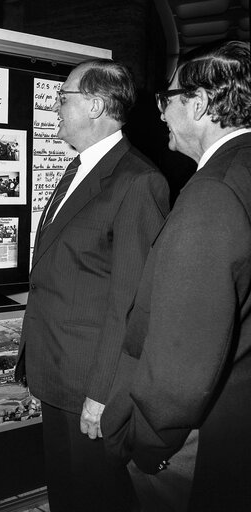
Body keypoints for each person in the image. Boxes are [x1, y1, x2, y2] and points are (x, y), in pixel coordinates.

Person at [102, 40, 251, 512]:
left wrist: (149, 443)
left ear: (201, 104)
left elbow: (181, 361)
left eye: (167, 100)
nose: (161, 113)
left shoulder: (212, 194)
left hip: (196, 437)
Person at [15, 58, 170, 511]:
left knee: (95, 498)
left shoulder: (138, 181)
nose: (54, 107)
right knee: (67, 494)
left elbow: (132, 302)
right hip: (57, 373)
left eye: (63, 98)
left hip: (90, 384)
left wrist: (102, 393)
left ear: (96, 105)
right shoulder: (78, 170)